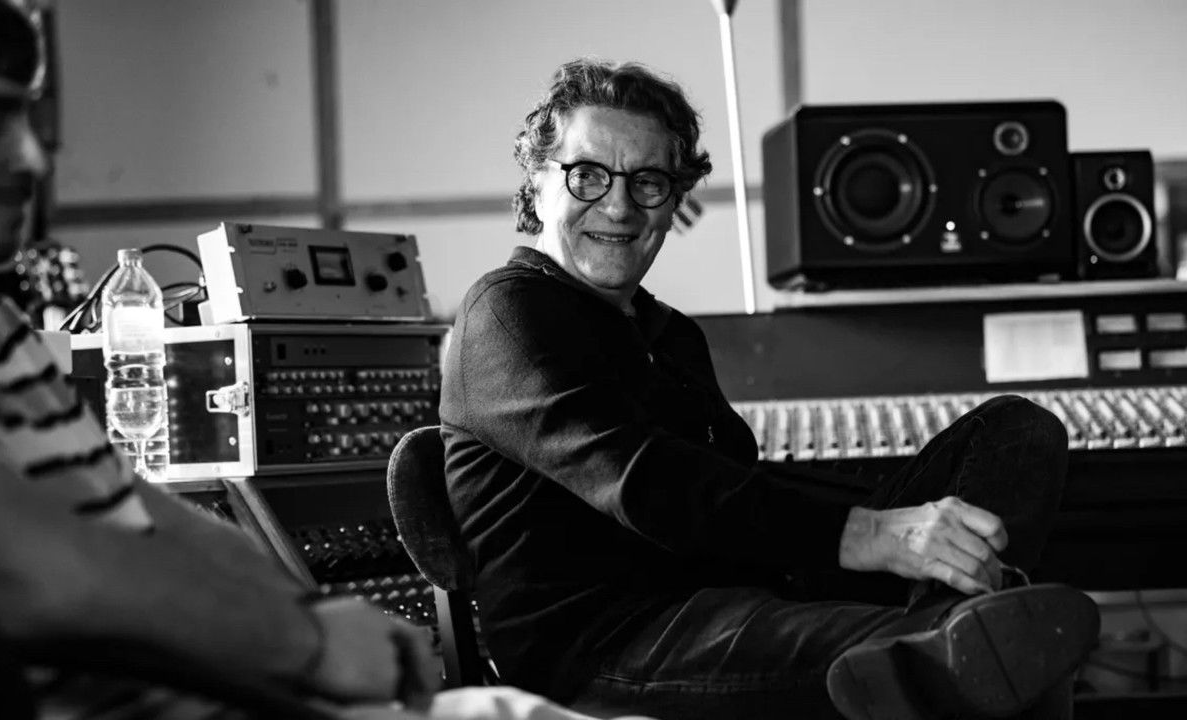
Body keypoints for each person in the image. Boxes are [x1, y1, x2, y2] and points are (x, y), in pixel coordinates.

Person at [0, 4, 662, 719]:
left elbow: (148, 516)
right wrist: (305, 643)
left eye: (28, 117)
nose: (31, 156)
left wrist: (309, 609)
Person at [440, 58, 1100, 720]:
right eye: (587, 175)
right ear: (538, 185)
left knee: (1014, 431)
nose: (618, 205)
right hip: (611, 643)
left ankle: (953, 628)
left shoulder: (669, 335)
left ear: (672, 201)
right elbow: (642, 480)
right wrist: (872, 532)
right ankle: (958, 641)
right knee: (983, 660)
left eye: (648, 181)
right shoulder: (507, 311)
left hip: (735, 594)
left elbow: (735, 483)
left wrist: (905, 523)